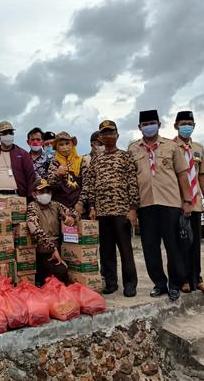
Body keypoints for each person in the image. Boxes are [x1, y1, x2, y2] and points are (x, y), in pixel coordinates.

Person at [128, 109, 193, 301]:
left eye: (152, 123)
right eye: (145, 124)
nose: (149, 127)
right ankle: (159, 283)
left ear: (159, 124)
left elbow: (182, 174)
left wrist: (187, 201)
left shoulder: (171, 147)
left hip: (170, 203)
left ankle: (175, 284)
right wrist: (131, 208)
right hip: (145, 204)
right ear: (140, 127)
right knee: (150, 247)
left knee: (173, 246)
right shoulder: (133, 149)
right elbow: (130, 179)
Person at [78, 120, 139, 296]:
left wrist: (133, 208)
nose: (108, 136)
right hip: (102, 212)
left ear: (117, 135)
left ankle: (130, 284)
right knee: (106, 251)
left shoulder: (126, 156)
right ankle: (111, 283)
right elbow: (89, 185)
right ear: (100, 138)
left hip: (122, 211)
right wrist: (90, 206)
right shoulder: (96, 160)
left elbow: (132, 184)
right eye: (104, 134)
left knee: (126, 249)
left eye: (111, 132)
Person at [173, 111, 204, 293]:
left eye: (190, 123)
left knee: (195, 243)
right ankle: (182, 280)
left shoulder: (198, 148)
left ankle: (196, 278)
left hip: (196, 201)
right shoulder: (170, 147)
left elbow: (202, 175)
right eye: (183, 123)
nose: (187, 126)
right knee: (179, 243)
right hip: (177, 202)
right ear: (176, 125)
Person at [26, 179, 78, 286]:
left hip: (58, 249)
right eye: (42, 192)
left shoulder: (55, 205)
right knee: (60, 272)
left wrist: (71, 217)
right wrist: (52, 248)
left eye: (48, 192)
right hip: (43, 253)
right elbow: (35, 230)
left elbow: (74, 212)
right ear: (34, 194)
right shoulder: (32, 207)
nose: (46, 194)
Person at [0, 121, 36, 198]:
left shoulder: (23, 154)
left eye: (10, 132)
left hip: (17, 196)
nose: (8, 135)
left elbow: (31, 177)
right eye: (4, 133)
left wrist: (29, 197)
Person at [47, 131, 88, 208]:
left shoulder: (81, 161)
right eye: (61, 144)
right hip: (59, 208)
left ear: (72, 144)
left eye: (67, 143)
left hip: (79, 207)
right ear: (57, 147)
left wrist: (81, 202)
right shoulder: (54, 163)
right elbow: (50, 185)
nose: (65, 147)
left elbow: (87, 184)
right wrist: (57, 174)